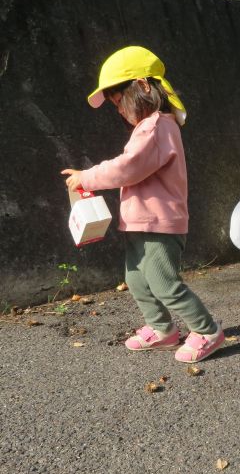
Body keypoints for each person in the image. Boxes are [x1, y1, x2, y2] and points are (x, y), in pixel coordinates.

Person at [61, 46, 224, 364]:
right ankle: (163, 330)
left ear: (144, 85)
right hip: (140, 222)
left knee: (164, 283)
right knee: (136, 278)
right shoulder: (148, 128)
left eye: (120, 100)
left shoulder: (157, 126)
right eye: (115, 105)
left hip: (160, 223)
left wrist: (87, 177)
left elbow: (129, 166)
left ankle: (206, 331)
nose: (119, 109)